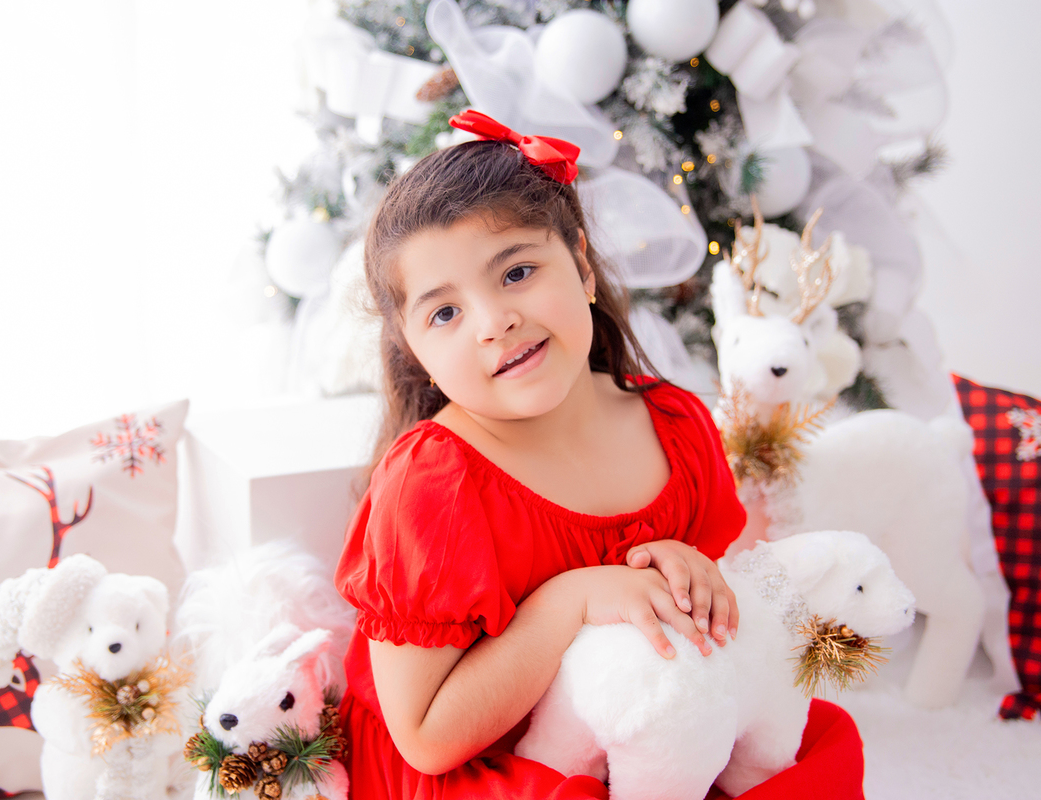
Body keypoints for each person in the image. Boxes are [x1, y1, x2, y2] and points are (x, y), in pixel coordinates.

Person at [333, 110, 864, 800]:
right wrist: (568, 603)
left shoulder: (674, 423)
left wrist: (698, 575)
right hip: (488, 762)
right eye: (445, 313)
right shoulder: (434, 484)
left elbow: (714, 619)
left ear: (582, 265)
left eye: (517, 271)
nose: (495, 322)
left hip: (642, 726)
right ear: (415, 353)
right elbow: (427, 739)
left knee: (802, 753)